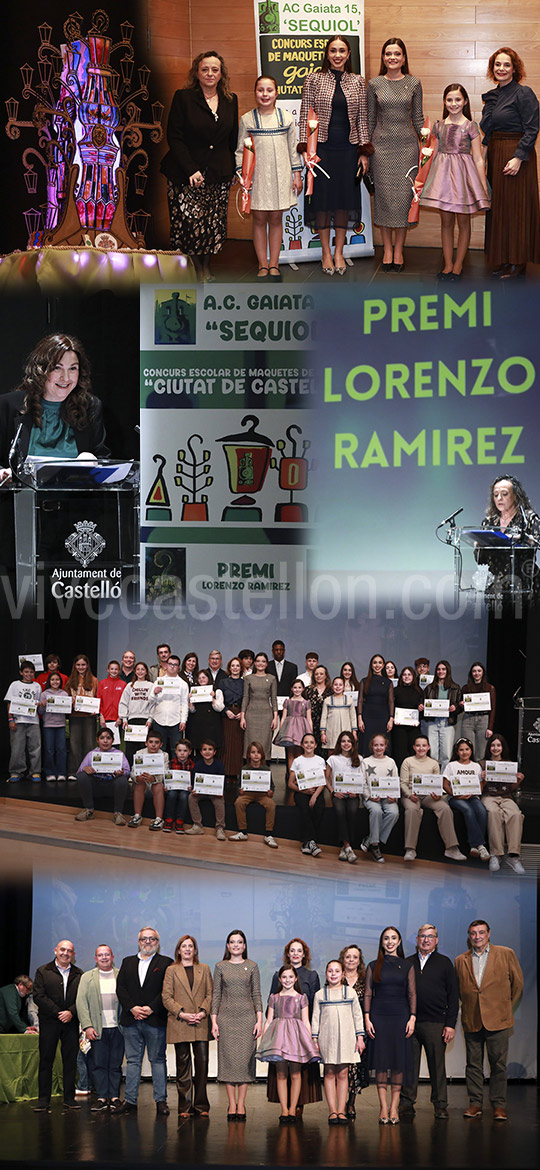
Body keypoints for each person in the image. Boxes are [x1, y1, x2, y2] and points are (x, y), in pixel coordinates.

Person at [160, 51, 238, 281]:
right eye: (205, 69)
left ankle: (206, 266)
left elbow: (231, 138)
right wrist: (191, 169)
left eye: (215, 69)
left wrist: (233, 168)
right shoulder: (183, 97)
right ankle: (197, 269)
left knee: (213, 223)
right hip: (185, 172)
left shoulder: (230, 100)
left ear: (221, 73)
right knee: (190, 223)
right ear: (197, 72)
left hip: (218, 172)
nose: (210, 74)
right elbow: (174, 137)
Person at [298, 36, 371, 274]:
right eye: (333, 51)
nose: (337, 55)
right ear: (327, 54)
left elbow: (362, 118)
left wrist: (363, 151)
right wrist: (305, 149)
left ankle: (339, 252)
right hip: (321, 151)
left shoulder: (358, 81)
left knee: (343, 201)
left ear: (349, 54)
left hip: (348, 150)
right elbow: (304, 115)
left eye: (342, 51)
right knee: (322, 203)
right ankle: (325, 254)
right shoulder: (314, 79)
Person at [0, 332, 108, 481]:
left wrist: (93, 460)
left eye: (73, 368)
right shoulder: (9, 406)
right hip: (20, 500)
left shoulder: (90, 407)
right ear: (42, 370)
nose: (66, 377)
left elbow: (103, 457)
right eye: (57, 368)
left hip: (74, 501)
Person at [455, 919, 524, 1120]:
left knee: (498, 1065)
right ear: (469, 936)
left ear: (489, 933)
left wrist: (504, 1008)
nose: (477, 937)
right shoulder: (461, 960)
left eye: (481, 932)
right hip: (472, 1019)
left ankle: (498, 1105)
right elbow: (461, 990)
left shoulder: (505, 953)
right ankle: (475, 1103)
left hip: (499, 1020)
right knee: (473, 1065)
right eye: (473, 933)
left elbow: (517, 985)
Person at [420, 83, 490, 279]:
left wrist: (482, 184)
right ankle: (447, 264)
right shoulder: (439, 125)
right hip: (443, 178)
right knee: (446, 221)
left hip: (463, 179)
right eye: (449, 100)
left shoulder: (471, 126)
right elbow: (432, 155)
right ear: (444, 101)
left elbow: (477, 158)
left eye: (458, 99)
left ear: (465, 101)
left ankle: (458, 265)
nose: (453, 103)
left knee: (464, 221)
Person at [481, 47, 540, 278]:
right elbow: (488, 130)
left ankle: (518, 261)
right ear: (492, 68)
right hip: (497, 153)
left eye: (506, 65)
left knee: (516, 209)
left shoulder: (524, 93)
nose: (501, 69)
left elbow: (532, 128)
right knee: (500, 209)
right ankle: (504, 258)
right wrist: (484, 158)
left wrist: (518, 157)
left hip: (517, 157)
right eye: (497, 65)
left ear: (514, 68)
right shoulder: (493, 96)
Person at [236, 75, 302, 281]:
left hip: (281, 175)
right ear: (255, 92)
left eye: (269, 90)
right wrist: (243, 175)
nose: (265, 94)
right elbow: (241, 150)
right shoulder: (247, 119)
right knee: (258, 219)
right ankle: (262, 264)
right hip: (257, 177)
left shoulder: (286, 118)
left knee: (275, 218)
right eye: (260, 90)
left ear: (276, 92)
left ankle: (274, 263)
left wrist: (297, 175)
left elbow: (293, 150)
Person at [367, 38, 424, 271]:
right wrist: (365, 152)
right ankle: (387, 250)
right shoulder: (374, 84)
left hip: (408, 148)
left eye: (397, 54)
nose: (392, 58)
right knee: (383, 200)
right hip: (380, 149)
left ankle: (398, 250)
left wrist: (431, 141)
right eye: (388, 53)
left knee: (403, 201)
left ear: (403, 57)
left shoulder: (414, 83)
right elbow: (370, 119)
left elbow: (419, 119)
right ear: (383, 58)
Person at [399, 925, 459, 1121]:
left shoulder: (444, 963)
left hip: (436, 1023)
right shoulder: (408, 962)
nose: (426, 940)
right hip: (411, 1023)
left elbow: (453, 996)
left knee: (437, 1066)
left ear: (436, 940)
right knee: (409, 1066)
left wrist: (450, 1024)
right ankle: (407, 1103)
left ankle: (440, 1105)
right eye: (423, 936)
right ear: (417, 939)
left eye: (430, 936)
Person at [115, 927, 173, 1115]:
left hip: (155, 1019)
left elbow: (167, 991)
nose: (148, 942)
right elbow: (121, 988)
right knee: (132, 1062)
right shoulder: (127, 962)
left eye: (152, 939)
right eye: (144, 939)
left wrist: (151, 1008)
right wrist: (132, 1008)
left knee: (157, 1060)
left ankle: (161, 1101)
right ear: (138, 942)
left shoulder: (166, 963)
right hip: (131, 1020)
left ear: (158, 942)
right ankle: (130, 1101)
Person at [364, 926, 416, 1124]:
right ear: (382, 942)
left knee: (397, 1063)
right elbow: (368, 993)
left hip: (401, 1016)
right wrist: (367, 1017)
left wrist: (412, 1017)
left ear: (400, 941)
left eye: (393, 938)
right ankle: (383, 1108)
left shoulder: (407, 966)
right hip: (379, 1017)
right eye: (386, 938)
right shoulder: (373, 965)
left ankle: (394, 1107)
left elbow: (412, 994)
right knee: (381, 1063)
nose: (390, 941)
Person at [211, 930, 263, 1120]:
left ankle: (241, 1105)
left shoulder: (252, 966)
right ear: (227, 946)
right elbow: (216, 995)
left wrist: (259, 1020)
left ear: (244, 945)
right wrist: (214, 1021)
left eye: (239, 942)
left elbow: (256, 994)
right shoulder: (220, 966)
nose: (236, 945)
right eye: (232, 942)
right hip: (226, 1019)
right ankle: (231, 1104)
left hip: (247, 1019)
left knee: (243, 1063)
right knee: (229, 1063)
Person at [257, 965, 319, 1121]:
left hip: (296, 1038)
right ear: (279, 979)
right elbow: (269, 1020)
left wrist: (311, 1040)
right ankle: (284, 1110)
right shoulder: (274, 998)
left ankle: (293, 1109)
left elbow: (305, 1021)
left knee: (296, 1073)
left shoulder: (301, 998)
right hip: (279, 1037)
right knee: (281, 1073)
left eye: (290, 977)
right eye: (284, 977)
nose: (287, 980)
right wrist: (265, 1037)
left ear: (296, 978)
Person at [268, 938, 322, 1113]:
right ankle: (286, 1109)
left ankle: (297, 1107)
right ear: (288, 954)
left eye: (299, 950)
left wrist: (312, 1035)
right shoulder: (277, 975)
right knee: (282, 1072)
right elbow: (272, 1006)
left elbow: (315, 1006)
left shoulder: (312, 976)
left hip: (300, 1032)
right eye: (292, 950)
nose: (296, 954)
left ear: (304, 954)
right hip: (281, 1032)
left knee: (299, 1072)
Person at [162, 935, 213, 1117]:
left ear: (195, 950)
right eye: (184, 946)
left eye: (191, 946)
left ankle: (201, 1106)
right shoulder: (171, 970)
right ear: (178, 950)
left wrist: (202, 1012)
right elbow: (166, 997)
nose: (187, 949)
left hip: (200, 1022)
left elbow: (210, 995)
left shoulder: (204, 969)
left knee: (202, 1065)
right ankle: (185, 1107)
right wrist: (182, 1013)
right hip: (180, 1022)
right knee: (183, 1066)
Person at [312, 959, 365, 1124]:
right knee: (329, 1073)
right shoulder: (320, 994)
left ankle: (342, 1111)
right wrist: (314, 1039)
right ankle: (332, 1111)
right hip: (327, 1038)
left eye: (337, 971)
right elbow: (315, 1018)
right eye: (330, 971)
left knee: (343, 1074)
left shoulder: (350, 993)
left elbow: (358, 1016)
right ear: (326, 974)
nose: (333, 974)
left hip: (347, 1038)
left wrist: (360, 1037)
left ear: (343, 974)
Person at [33, 940, 83, 1112]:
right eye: (62, 949)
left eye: (69, 951)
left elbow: (82, 999)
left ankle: (69, 1099)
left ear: (73, 954)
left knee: (70, 1062)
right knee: (46, 1061)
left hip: (71, 1023)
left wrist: (70, 1012)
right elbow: (38, 996)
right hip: (49, 1023)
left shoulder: (79, 973)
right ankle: (43, 1100)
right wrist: (58, 1012)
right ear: (55, 951)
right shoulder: (43, 971)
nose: (65, 953)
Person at [400, 734, 466, 862]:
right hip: (411, 795)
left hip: (429, 796)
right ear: (414, 747)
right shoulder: (407, 761)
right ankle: (410, 849)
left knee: (445, 808)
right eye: (418, 745)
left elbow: (437, 784)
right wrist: (409, 795)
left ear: (428, 747)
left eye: (424, 745)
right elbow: (403, 783)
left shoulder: (434, 763)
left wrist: (437, 794)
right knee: (412, 810)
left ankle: (451, 848)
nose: (421, 748)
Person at [75, 944, 124, 1112]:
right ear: (95, 958)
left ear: (112, 956)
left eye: (107, 955)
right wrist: (87, 1026)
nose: (104, 958)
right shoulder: (87, 977)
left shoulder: (121, 975)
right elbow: (81, 1004)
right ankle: (102, 1097)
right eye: (100, 955)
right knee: (98, 1064)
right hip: (97, 1029)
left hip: (118, 1028)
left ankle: (115, 1097)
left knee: (116, 1064)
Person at [477, 474, 540, 595]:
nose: (499, 498)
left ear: (516, 496)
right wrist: (478, 547)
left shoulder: (528, 518)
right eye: (496, 495)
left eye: (504, 494)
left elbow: (537, 542)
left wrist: (524, 539)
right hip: (497, 588)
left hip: (525, 586)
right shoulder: (489, 522)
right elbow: (482, 561)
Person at [481, 733, 525, 874]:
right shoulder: (482, 764)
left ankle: (513, 856)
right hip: (489, 796)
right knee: (494, 814)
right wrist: (483, 779)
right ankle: (496, 854)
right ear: (489, 747)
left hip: (506, 797)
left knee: (516, 814)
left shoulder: (509, 764)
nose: (495, 748)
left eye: (498, 745)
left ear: (502, 747)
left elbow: (511, 788)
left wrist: (518, 780)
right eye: (493, 745)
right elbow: (479, 788)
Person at [443, 738, 490, 861]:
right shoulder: (451, 765)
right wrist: (455, 794)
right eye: (461, 750)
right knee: (468, 810)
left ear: (471, 750)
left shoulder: (476, 766)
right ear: (457, 752)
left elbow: (480, 785)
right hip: (456, 798)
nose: (464, 752)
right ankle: (480, 845)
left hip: (472, 796)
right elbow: (445, 784)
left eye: (467, 749)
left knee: (482, 811)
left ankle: (474, 846)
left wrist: (473, 792)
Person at [74, 725, 130, 826]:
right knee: (82, 776)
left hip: (112, 784)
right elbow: (79, 772)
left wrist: (122, 772)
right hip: (96, 784)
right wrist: (85, 769)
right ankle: (89, 810)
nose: (105, 741)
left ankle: (118, 814)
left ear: (113, 741)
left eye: (108, 738)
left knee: (122, 780)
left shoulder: (119, 754)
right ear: (97, 740)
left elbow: (127, 771)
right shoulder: (92, 754)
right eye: (102, 738)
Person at [338, 945, 369, 1118]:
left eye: (354, 957)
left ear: (359, 961)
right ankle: (340, 1104)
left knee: (356, 1067)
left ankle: (351, 1103)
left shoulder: (365, 980)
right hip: (339, 1029)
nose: (351, 960)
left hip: (358, 1030)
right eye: (348, 956)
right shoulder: (335, 977)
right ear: (343, 959)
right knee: (341, 1067)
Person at [231, 739, 278, 848]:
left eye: (258, 752)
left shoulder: (266, 769)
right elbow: (238, 785)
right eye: (253, 752)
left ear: (262, 754)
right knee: (239, 802)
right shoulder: (245, 768)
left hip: (262, 795)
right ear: (248, 755)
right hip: (248, 794)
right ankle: (242, 832)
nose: (256, 755)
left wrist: (271, 792)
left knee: (271, 805)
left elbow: (272, 786)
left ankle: (269, 834)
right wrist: (240, 791)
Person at [326, 730, 364, 863]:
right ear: (339, 743)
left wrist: (358, 792)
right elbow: (325, 779)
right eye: (343, 741)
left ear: (353, 743)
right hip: (338, 794)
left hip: (353, 794)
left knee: (353, 812)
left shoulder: (359, 759)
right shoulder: (333, 758)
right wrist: (333, 791)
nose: (346, 744)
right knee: (340, 811)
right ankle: (348, 847)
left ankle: (344, 847)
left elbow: (363, 778)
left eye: (349, 741)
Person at [361, 733, 400, 863]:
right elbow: (363, 783)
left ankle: (371, 838)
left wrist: (393, 796)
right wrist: (369, 796)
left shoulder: (391, 762)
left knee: (394, 813)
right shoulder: (365, 762)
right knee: (376, 811)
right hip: (372, 797)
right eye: (376, 745)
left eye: (381, 745)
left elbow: (395, 781)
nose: (378, 748)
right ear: (372, 746)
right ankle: (375, 846)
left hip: (387, 797)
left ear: (386, 746)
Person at [288, 732, 327, 857]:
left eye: (311, 742)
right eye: (306, 742)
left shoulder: (320, 761)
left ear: (315, 745)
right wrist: (304, 791)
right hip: (302, 792)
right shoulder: (297, 761)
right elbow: (290, 783)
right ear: (301, 745)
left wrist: (314, 796)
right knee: (304, 809)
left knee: (319, 807)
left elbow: (323, 781)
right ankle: (312, 842)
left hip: (317, 792)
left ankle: (307, 842)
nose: (309, 745)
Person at [5, 658, 42, 782]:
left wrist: (39, 705)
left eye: (31, 672)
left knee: (35, 747)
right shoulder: (15, 685)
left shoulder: (37, 686)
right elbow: (10, 702)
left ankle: (35, 772)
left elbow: (38, 702)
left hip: (33, 721)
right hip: (18, 720)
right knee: (17, 748)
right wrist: (10, 719)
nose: (29, 674)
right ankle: (16, 772)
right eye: (26, 672)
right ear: (21, 672)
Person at [421, 659, 461, 772]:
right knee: (432, 753)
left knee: (446, 754)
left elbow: (460, 706)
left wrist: (456, 708)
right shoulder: (429, 688)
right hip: (432, 722)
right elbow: (424, 704)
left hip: (448, 723)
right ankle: (433, 779)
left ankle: (443, 781)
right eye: (438, 669)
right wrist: (422, 707)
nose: (440, 671)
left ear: (447, 671)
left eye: (443, 669)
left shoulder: (455, 687)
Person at [148, 654, 189, 757]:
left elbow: (184, 703)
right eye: (170, 664)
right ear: (166, 665)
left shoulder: (183, 684)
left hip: (176, 722)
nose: (172, 667)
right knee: (158, 749)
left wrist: (183, 720)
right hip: (159, 720)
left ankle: (175, 772)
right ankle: (158, 773)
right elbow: (150, 701)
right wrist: (154, 693)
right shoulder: (158, 681)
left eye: (175, 665)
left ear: (179, 667)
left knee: (176, 750)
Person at [185, 739, 227, 840]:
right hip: (201, 792)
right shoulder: (198, 765)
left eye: (210, 749)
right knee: (191, 797)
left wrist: (220, 791)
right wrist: (194, 789)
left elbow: (223, 782)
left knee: (219, 802)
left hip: (215, 793)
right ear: (200, 752)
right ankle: (197, 825)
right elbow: (194, 780)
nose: (207, 752)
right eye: (204, 749)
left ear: (214, 752)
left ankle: (220, 828)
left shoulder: (219, 765)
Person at [240, 652, 278, 760]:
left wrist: (275, 718)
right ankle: (249, 771)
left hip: (266, 715)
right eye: (258, 661)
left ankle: (264, 771)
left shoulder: (271, 678)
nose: (260, 663)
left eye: (263, 661)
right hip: (251, 715)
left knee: (264, 744)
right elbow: (245, 697)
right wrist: (242, 717)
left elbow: (274, 699)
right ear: (254, 663)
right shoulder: (248, 678)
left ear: (266, 664)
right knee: (250, 743)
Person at [66, 654, 98, 780]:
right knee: (74, 744)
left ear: (87, 665)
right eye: (78, 665)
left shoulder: (94, 680)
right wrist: (70, 701)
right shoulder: (70, 681)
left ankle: (88, 770)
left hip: (89, 717)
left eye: (83, 665)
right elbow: (65, 699)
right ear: (75, 666)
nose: (81, 667)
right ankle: (73, 771)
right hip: (75, 716)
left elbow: (97, 697)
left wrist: (96, 709)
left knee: (89, 744)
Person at [129, 730, 168, 830]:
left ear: (161, 744)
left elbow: (165, 774)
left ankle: (159, 819)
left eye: (156, 742)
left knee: (158, 785)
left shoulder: (164, 755)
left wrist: (153, 778)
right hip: (142, 783)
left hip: (155, 784)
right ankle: (137, 816)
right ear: (146, 743)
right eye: (151, 742)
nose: (153, 745)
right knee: (140, 783)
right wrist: (137, 778)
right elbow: (133, 771)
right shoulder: (139, 753)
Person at [117, 662, 154, 767]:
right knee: (130, 749)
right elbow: (123, 703)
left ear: (146, 671)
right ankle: (130, 772)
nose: (140, 671)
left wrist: (150, 719)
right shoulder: (130, 686)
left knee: (143, 748)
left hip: (145, 721)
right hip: (131, 721)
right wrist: (124, 719)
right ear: (135, 671)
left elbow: (153, 704)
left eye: (143, 669)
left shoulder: (151, 686)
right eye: (138, 669)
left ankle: (142, 771)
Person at [357, 653, 394, 755]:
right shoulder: (364, 681)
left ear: (383, 665)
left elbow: (391, 701)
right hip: (367, 717)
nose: (377, 665)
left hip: (383, 717)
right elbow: (360, 700)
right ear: (371, 665)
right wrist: (360, 719)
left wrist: (391, 719)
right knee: (367, 744)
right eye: (375, 663)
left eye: (380, 663)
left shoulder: (388, 682)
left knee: (382, 743)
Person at [460, 661, 496, 759]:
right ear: (471, 673)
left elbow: (493, 709)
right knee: (467, 747)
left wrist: (490, 727)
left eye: (479, 671)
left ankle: (480, 772)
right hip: (468, 719)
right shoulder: (465, 688)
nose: (477, 673)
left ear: (483, 672)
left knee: (482, 750)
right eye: (474, 671)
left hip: (483, 719)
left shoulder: (490, 688)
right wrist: (461, 705)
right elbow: (460, 706)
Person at [274, 679, 313, 771]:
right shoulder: (288, 701)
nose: (297, 690)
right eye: (295, 687)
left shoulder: (306, 702)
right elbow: (283, 717)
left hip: (302, 729)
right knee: (290, 753)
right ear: (291, 689)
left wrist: (310, 733)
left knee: (300, 752)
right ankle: (291, 775)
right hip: (289, 729)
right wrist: (281, 731)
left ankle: (299, 776)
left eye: (299, 687)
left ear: (303, 689)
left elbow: (309, 718)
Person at [39, 670, 68, 781]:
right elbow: (41, 712)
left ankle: (61, 773)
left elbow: (67, 711)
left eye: (57, 679)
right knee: (49, 750)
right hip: (48, 725)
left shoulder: (64, 694)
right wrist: (43, 705)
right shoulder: (44, 694)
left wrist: (70, 703)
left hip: (60, 725)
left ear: (60, 681)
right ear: (49, 681)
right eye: (52, 680)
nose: (55, 682)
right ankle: (49, 773)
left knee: (61, 749)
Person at [186, 668, 224, 754]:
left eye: (204, 677)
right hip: (198, 726)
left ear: (209, 678)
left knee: (212, 748)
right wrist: (189, 700)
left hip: (212, 727)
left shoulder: (216, 691)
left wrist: (213, 698)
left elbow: (220, 708)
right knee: (199, 748)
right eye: (199, 678)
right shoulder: (194, 691)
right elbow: (192, 711)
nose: (201, 680)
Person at [392, 665, 423, 769]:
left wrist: (421, 710)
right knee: (399, 753)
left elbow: (422, 710)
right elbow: (391, 707)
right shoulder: (395, 690)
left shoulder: (419, 691)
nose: (406, 677)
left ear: (413, 676)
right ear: (401, 677)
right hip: (399, 727)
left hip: (414, 728)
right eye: (404, 674)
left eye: (409, 674)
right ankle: (401, 778)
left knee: (413, 753)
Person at [163, 737, 194, 834]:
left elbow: (194, 779)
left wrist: (191, 786)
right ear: (175, 751)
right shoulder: (170, 763)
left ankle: (180, 821)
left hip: (185, 789)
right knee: (172, 795)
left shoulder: (192, 765)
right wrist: (166, 785)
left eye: (185, 751)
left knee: (184, 796)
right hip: (172, 788)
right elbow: (166, 777)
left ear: (189, 752)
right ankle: (168, 819)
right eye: (179, 750)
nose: (182, 753)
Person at [219, 657, 244, 778]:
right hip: (227, 716)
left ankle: (236, 774)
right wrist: (226, 711)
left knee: (238, 746)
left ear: (241, 668)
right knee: (226, 745)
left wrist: (243, 713)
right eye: (233, 666)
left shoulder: (245, 682)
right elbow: (218, 701)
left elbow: (247, 700)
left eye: (237, 666)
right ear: (229, 668)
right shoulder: (223, 682)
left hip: (240, 716)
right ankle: (226, 773)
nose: (235, 668)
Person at [320, 676, 357, 749]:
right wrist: (323, 733)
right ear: (332, 686)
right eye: (335, 685)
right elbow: (323, 718)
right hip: (331, 731)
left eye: (340, 685)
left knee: (346, 751)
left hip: (346, 730)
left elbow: (353, 717)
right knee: (331, 752)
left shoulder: (349, 700)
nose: (338, 687)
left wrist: (354, 732)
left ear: (344, 687)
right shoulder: (327, 700)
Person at [304, 663, 332, 750]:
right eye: (316, 674)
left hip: (327, 726)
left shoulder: (331, 691)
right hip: (311, 725)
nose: (318, 676)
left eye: (321, 674)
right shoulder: (308, 690)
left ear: (326, 676)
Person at [97, 660, 126, 735]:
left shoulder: (123, 684)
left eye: (116, 669)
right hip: (104, 719)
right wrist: (101, 716)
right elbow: (99, 701)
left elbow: (125, 703)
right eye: (112, 669)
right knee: (104, 742)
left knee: (115, 744)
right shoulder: (102, 683)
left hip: (117, 720)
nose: (114, 671)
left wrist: (120, 717)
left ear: (119, 671)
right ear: (108, 670)